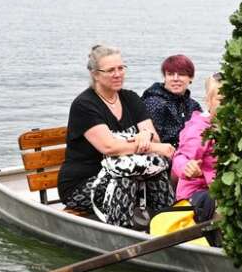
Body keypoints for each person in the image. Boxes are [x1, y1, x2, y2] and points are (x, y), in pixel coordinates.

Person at [60, 44, 178, 227]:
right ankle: (121, 233)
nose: (118, 74)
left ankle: (167, 226)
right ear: (95, 74)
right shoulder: (84, 105)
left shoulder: (130, 99)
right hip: (82, 183)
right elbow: (110, 147)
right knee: (125, 179)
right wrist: (152, 145)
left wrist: (146, 135)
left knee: (157, 173)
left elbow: (153, 135)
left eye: (121, 68)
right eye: (110, 70)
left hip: (126, 170)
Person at [173, 74, 222, 204]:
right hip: (197, 197)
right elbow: (179, 157)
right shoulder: (199, 129)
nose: (227, 105)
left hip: (224, 189)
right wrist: (187, 167)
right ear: (208, 100)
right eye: (221, 100)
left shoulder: (236, 126)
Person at [141, 54, 204, 146]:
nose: (175, 79)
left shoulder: (193, 105)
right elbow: (152, 141)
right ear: (165, 77)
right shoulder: (154, 103)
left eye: (181, 74)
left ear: (191, 78)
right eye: (170, 74)